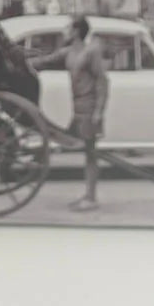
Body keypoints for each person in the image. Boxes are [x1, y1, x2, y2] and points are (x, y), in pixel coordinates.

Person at [27, 14, 108, 212]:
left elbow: (102, 82)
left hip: (89, 108)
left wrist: (99, 111)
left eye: (67, 29)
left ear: (76, 31)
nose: (64, 32)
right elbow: (44, 61)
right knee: (79, 147)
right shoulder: (68, 52)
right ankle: (88, 195)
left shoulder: (91, 52)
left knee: (90, 153)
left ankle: (91, 198)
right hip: (78, 108)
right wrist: (21, 61)